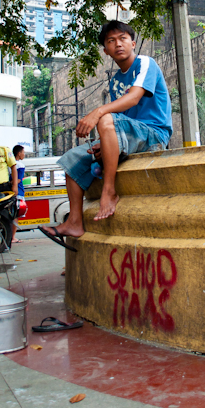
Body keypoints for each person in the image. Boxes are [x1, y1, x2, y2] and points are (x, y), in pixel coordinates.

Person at [41, 20, 172, 250]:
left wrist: (97, 112)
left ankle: (109, 192)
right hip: (128, 135)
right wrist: (105, 142)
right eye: (111, 41)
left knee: (104, 117)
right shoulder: (114, 81)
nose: (118, 44)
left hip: (154, 134)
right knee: (72, 160)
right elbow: (118, 121)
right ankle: (74, 222)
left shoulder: (145, 63)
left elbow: (133, 99)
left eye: (122, 38)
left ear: (132, 42)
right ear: (106, 50)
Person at [11, 145, 26, 244]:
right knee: (16, 216)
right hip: (18, 192)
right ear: (19, 153)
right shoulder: (20, 165)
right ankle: (13, 237)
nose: (24, 154)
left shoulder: (10, 164)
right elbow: (19, 179)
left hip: (10, 192)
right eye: (23, 152)